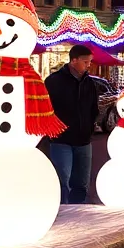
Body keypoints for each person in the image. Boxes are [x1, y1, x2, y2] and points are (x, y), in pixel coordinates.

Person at [44, 46, 100, 203]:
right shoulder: (53, 81)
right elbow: (47, 109)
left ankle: (78, 212)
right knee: (62, 180)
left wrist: (89, 128)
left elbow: (94, 109)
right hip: (61, 140)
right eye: (85, 61)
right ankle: (62, 212)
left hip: (83, 140)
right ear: (73, 60)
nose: (89, 65)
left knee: (81, 182)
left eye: (90, 61)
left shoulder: (90, 83)